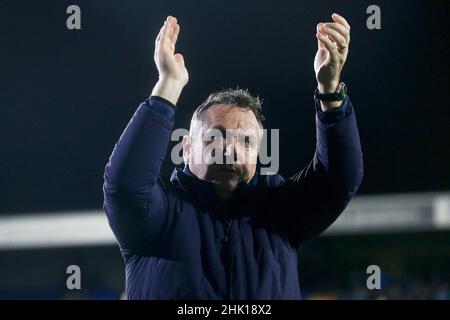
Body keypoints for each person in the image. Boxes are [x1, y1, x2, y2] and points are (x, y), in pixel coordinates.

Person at [103, 14, 363, 299]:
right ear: (187, 148)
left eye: (246, 140)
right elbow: (125, 184)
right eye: (215, 137)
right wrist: (168, 85)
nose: (230, 149)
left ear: (258, 152)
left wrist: (330, 92)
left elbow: (339, 178)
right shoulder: (158, 215)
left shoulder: (279, 212)